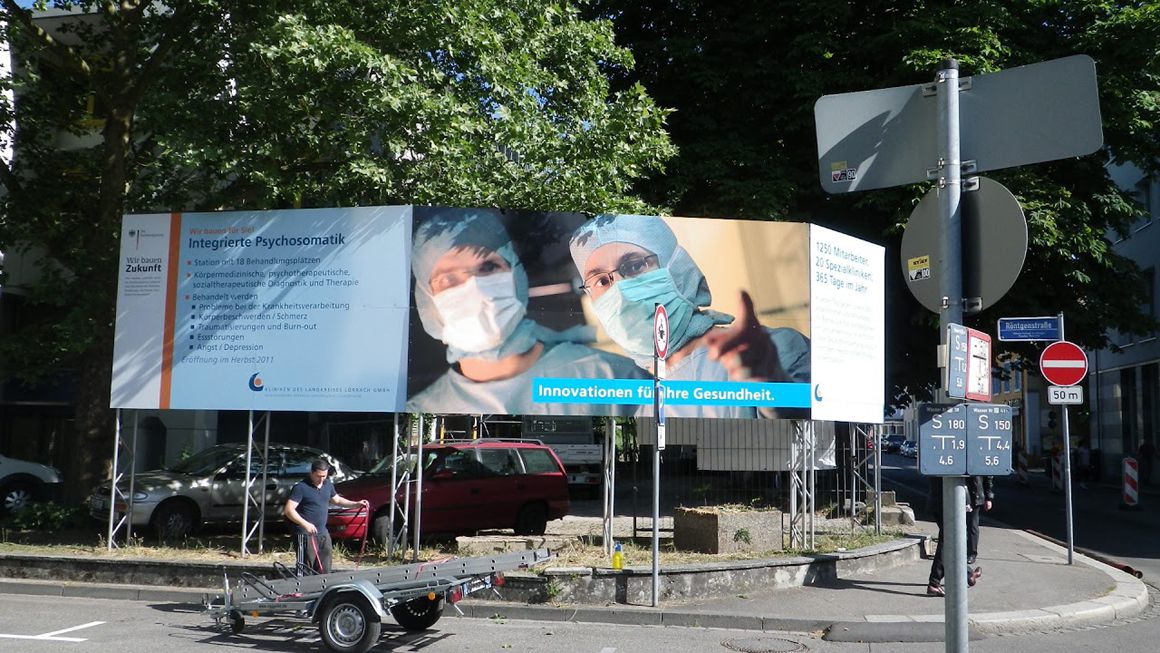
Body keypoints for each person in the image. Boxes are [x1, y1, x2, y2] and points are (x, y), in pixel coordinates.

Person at [406, 209, 648, 415]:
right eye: (448, 278)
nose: (475, 288)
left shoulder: (615, 379)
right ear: (427, 301)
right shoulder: (420, 411)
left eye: (489, 266)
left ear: (517, 278)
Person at [569, 214, 810, 418]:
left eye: (634, 266)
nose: (620, 292)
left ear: (676, 268)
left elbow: (807, 420)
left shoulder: (776, 349)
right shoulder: (639, 401)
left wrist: (768, 382)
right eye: (601, 281)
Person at [284, 458, 368, 574]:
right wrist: (305, 524)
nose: (321, 479)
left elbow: (337, 500)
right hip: (305, 534)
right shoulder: (300, 488)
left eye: (324, 476)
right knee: (306, 566)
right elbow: (289, 510)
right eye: (318, 476)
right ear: (311, 473)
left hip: (323, 532)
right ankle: (303, 590)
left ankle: (322, 588)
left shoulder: (327, 485)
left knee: (325, 565)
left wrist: (356, 504)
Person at [926, 476, 986, 597]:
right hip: (948, 503)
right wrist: (968, 501)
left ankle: (967, 574)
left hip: (937, 500)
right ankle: (934, 583)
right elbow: (959, 479)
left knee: (950, 541)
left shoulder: (937, 459)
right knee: (948, 542)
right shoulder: (953, 461)